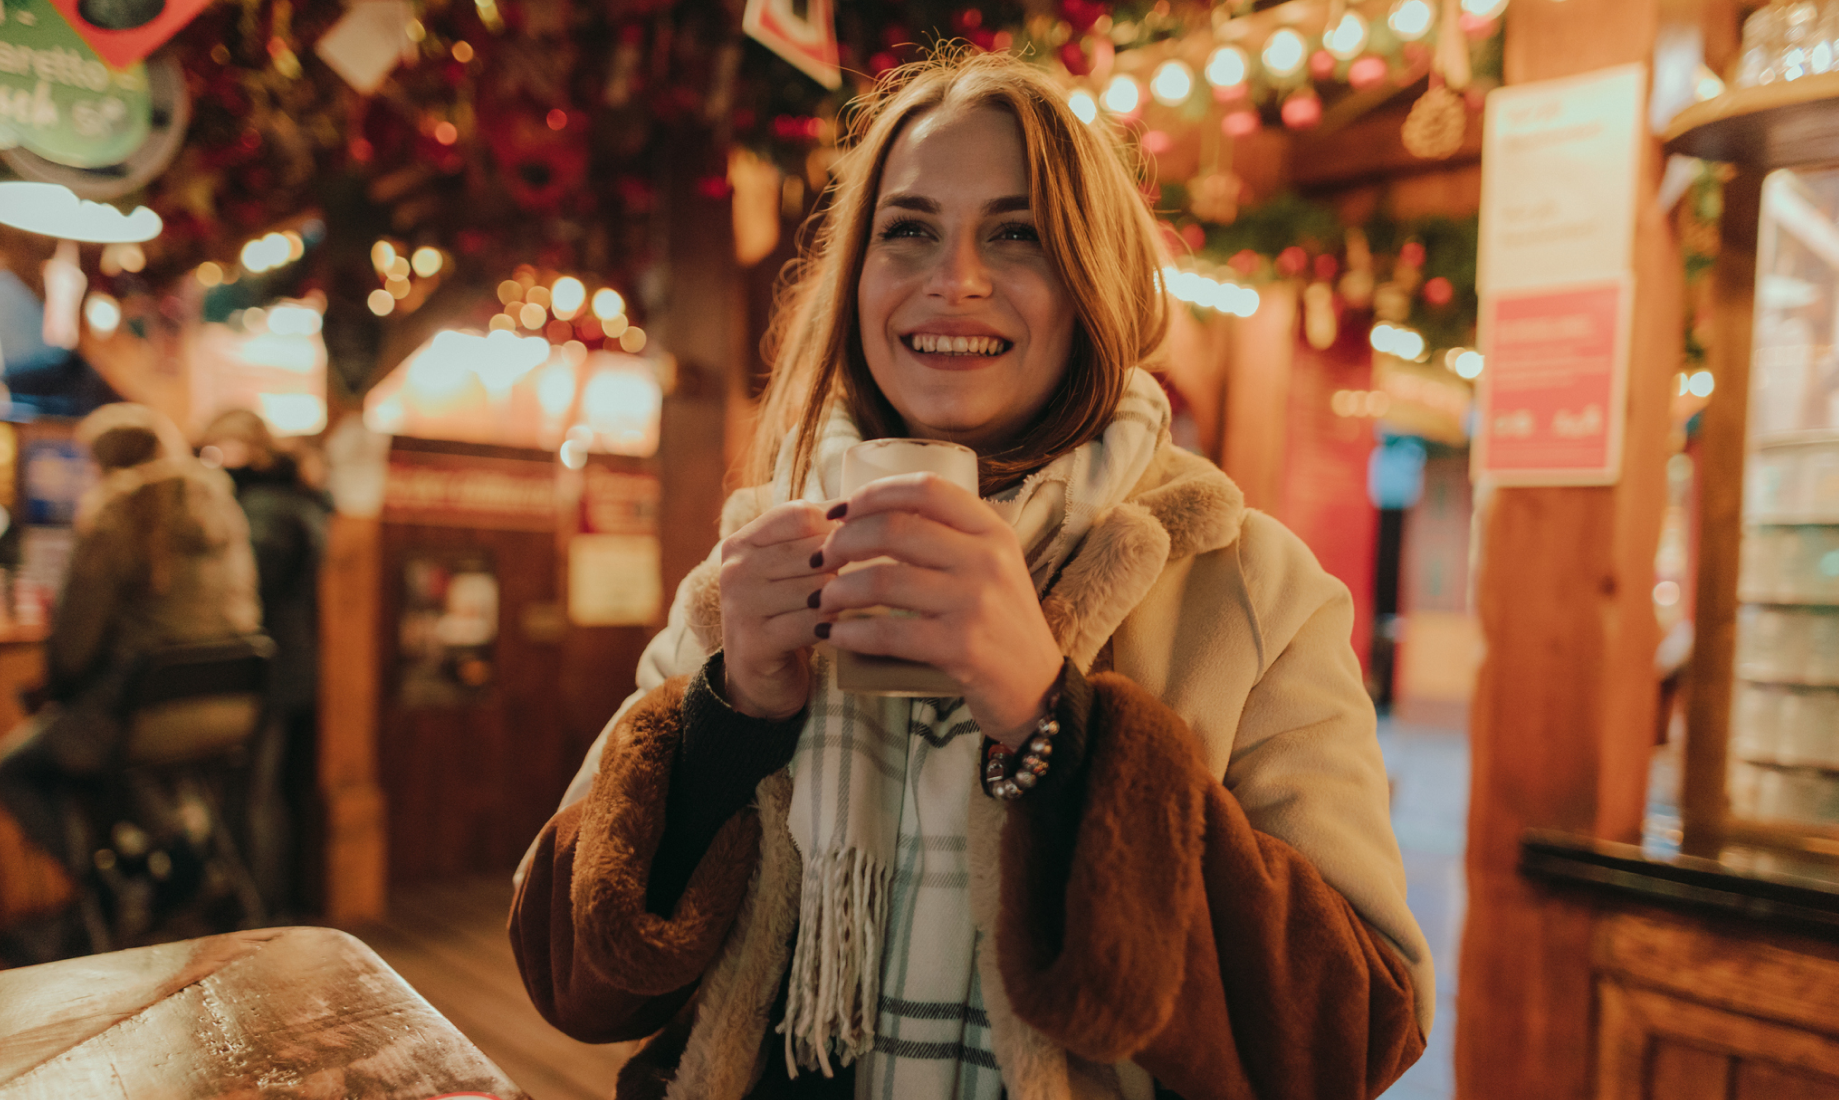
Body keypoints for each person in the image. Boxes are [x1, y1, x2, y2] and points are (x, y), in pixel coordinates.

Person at [511, 50, 1430, 1100]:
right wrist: (730, 717)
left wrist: (1054, 724)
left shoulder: (1246, 582)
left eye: (1016, 233)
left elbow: (1354, 1028)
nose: (954, 280)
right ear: (856, 277)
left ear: (1096, 280)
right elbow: (566, 977)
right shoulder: (756, 560)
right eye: (906, 230)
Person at [0, 403, 260, 873]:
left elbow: (72, 649)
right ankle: (176, 863)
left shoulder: (117, 512)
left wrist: (58, 684)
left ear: (102, 461)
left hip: (140, 718)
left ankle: (106, 888)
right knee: (138, 769)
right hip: (227, 713)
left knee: (10, 768)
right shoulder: (223, 508)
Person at [195, 409, 332, 918]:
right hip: (287, 663)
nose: (211, 460)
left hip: (266, 667)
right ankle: (267, 902)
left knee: (252, 796)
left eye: (219, 449)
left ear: (250, 450)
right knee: (265, 792)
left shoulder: (263, 507)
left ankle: (255, 911)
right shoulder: (291, 498)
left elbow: (253, 583)